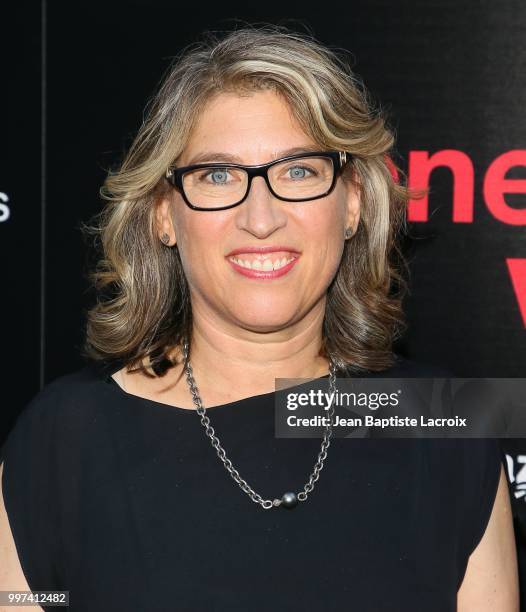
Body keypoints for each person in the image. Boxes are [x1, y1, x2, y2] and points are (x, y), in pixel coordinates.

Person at [0, 25, 518, 612]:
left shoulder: (446, 427)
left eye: (299, 170)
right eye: (218, 175)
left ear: (351, 203)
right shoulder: (62, 442)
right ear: (164, 215)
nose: (261, 216)